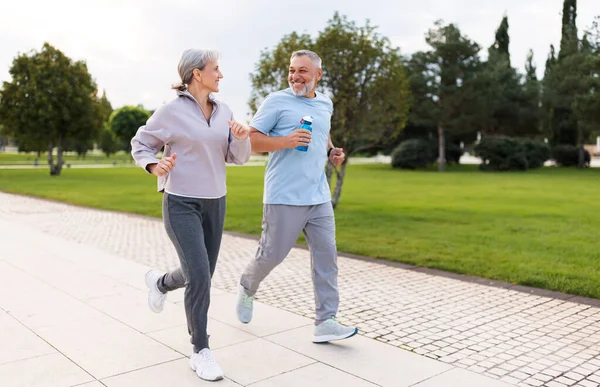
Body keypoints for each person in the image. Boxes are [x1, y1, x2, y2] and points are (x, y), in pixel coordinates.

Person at [131, 48, 251, 381]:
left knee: (199, 274)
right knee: (199, 276)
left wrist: (240, 139)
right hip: (181, 202)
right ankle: (201, 350)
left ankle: (159, 282)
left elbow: (236, 157)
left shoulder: (223, 109)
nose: (221, 75)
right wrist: (155, 165)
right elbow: (141, 144)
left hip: (216, 202)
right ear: (197, 73)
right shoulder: (170, 112)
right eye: (216, 69)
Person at [235, 50, 357, 343]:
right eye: (292, 70)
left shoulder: (325, 102)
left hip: (318, 196)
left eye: (302, 70)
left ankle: (325, 320)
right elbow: (250, 139)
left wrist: (331, 152)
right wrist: (285, 141)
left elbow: (322, 132)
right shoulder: (276, 101)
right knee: (271, 255)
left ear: (318, 75)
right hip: (283, 194)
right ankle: (247, 287)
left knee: (327, 258)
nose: (295, 76)